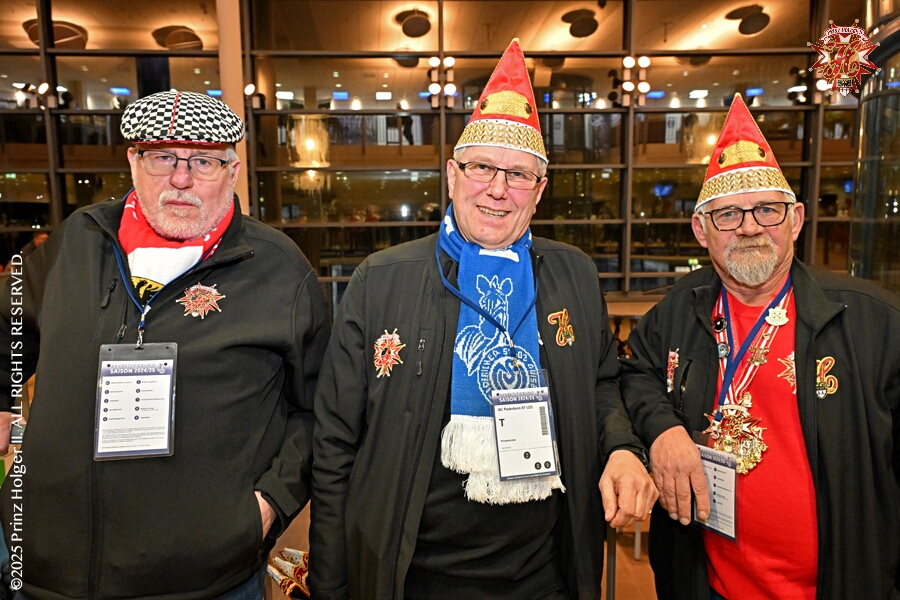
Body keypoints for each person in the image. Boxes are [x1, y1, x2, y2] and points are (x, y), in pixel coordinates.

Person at [309, 40, 656, 600]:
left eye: (518, 175)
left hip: (544, 577)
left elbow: (600, 384)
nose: (498, 189)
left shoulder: (573, 275)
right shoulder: (382, 280)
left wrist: (620, 447)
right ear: (452, 174)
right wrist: (331, 585)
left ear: (539, 191)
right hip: (409, 577)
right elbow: (334, 444)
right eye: (482, 168)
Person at [0, 90, 330, 599]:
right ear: (133, 161)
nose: (181, 178)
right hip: (45, 571)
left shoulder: (279, 270)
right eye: (162, 157)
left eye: (203, 161)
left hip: (206, 581)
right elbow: (8, 322)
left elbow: (318, 411)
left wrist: (266, 507)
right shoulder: (78, 240)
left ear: (233, 171)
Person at [620, 93, 900, 600]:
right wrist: (663, 431)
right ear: (701, 230)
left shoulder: (873, 322)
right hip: (706, 585)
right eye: (728, 214)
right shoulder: (678, 310)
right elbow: (635, 374)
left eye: (767, 210)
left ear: (796, 219)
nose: (750, 227)